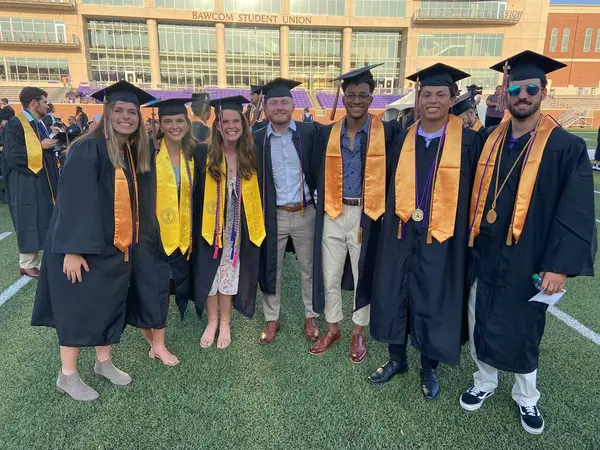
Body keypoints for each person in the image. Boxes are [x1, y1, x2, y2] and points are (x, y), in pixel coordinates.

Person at [460, 51, 596, 435]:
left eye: (530, 89)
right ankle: (484, 381)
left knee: (524, 326)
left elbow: (576, 209)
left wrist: (559, 265)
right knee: (479, 317)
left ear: (543, 92)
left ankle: (527, 398)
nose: (522, 95)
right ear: (504, 94)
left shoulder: (564, 147)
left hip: (530, 256)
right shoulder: (489, 140)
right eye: (515, 88)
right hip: (484, 250)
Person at [31, 80, 155, 401]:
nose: (126, 116)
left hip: (113, 247)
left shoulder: (127, 150)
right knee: (76, 306)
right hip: (83, 246)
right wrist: (73, 249)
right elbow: (73, 200)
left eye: (132, 112)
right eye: (119, 110)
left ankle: (103, 362)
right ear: (107, 112)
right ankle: (68, 375)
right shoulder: (89, 147)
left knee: (106, 303)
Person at [365, 64, 482, 400]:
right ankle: (396, 358)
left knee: (434, 297)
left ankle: (429, 366)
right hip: (401, 233)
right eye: (426, 94)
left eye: (440, 94)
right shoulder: (404, 137)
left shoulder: (469, 142)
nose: (432, 100)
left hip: (443, 239)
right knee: (396, 292)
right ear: (418, 98)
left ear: (452, 97)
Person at [309, 64, 399, 363]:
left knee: (364, 275)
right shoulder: (327, 133)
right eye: (351, 95)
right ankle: (333, 327)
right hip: (333, 211)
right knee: (330, 273)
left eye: (363, 95)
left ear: (372, 98)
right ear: (344, 98)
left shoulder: (386, 133)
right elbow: (314, 171)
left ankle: (358, 330)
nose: (356, 100)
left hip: (367, 213)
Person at [192, 95, 266, 349]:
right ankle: (211, 321)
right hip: (209, 229)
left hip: (237, 230)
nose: (231, 126)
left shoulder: (250, 154)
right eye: (226, 121)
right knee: (210, 276)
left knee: (228, 274)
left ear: (244, 125)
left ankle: (225, 322)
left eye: (237, 121)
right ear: (217, 125)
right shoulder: (203, 153)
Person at [128, 98, 197, 366]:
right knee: (153, 288)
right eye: (168, 121)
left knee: (165, 288)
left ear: (187, 124)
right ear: (160, 124)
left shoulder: (193, 156)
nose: (174, 126)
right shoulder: (147, 157)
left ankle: (155, 341)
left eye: (179, 120)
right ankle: (156, 344)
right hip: (150, 236)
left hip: (181, 235)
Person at [254, 78, 322, 345]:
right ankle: (272, 318)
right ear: (266, 107)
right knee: (272, 268)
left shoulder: (310, 132)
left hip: (306, 211)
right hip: (274, 215)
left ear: (293, 104)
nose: (280, 107)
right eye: (274, 102)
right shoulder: (257, 138)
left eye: (284, 101)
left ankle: (311, 314)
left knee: (309, 268)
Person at [0, 87, 59, 278]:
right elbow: (13, 154)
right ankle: (27, 264)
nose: (46, 105)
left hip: (40, 179)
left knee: (44, 215)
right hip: (24, 181)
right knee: (28, 218)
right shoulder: (16, 124)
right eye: (44, 101)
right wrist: (40, 146)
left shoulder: (37, 123)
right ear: (34, 102)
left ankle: (44, 259)